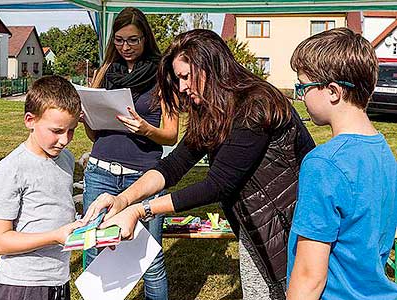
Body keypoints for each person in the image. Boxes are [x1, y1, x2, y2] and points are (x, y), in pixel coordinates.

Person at [84, 29, 315, 299]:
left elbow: (217, 185)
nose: (182, 87)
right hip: (259, 226)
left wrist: (141, 210)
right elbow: (173, 165)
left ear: (211, 66)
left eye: (185, 76)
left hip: (290, 228)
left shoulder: (256, 104)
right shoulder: (215, 109)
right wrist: (122, 200)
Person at [286, 27, 397, 299]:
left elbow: (309, 278)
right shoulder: (384, 152)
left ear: (333, 91)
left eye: (303, 86)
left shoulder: (323, 164)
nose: (301, 96)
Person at [82, 7, 179, 300]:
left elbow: (172, 134)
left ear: (146, 39)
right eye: (120, 40)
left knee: (150, 259)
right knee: (94, 250)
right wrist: (89, 118)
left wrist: (144, 129)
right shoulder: (104, 72)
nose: (126, 47)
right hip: (100, 172)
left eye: (133, 40)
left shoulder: (163, 75)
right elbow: (93, 134)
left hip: (144, 175)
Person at [0, 75, 84, 300]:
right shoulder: (12, 169)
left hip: (59, 281)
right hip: (21, 286)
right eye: (57, 131)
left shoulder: (66, 159)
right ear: (30, 120)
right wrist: (55, 236)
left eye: (71, 130)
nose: (65, 140)